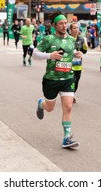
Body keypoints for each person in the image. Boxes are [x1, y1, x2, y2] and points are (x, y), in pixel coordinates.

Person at [33, 11, 82, 148]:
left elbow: (71, 54)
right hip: (51, 79)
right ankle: (40, 104)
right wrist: (50, 55)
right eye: (61, 23)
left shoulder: (72, 39)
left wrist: (77, 54)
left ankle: (67, 137)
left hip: (67, 78)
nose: (64, 25)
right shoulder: (49, 39)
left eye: (65, 23)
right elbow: (35, 55)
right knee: (49, 108)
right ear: (54, 25)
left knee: (68, 107)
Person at [69, 21, 88, 103]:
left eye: (77, 28)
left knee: (76, 82)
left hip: (78, 65)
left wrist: (85, 46)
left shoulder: (81, 39)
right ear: (70, 30)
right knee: (72, 80)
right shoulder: (67, 39)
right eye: (74, 28)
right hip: (69, 64)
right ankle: (70, 96)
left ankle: (71, 94)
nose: (76, 29)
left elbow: (84, 51)